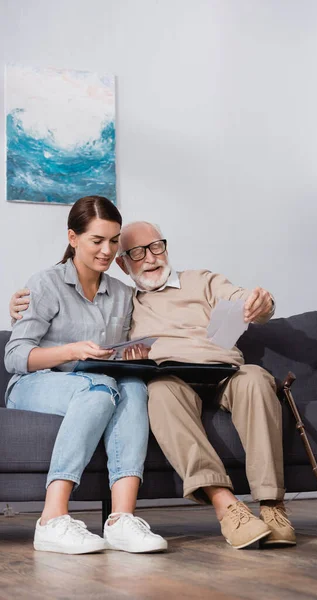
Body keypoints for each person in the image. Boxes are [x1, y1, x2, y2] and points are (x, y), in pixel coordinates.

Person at [10, 220, 296, 550]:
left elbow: (244, 299)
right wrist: (19, 311)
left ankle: (272, 506)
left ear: (166, 247)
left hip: (225, 372)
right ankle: (227, 506)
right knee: (156, 393)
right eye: (137, 252)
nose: (150, 258)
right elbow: (77, 321)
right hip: (172, 379)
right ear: (122, 262)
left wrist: (261, 303)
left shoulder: (201, 280)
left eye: (156, 246)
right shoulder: (124, 300)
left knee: (258, 378)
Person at [5, 199, 167, 555]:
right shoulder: (45, 284)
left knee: (133, 386)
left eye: (113, 241)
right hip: (34, 384)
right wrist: (71, 351)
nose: (107, 250)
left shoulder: (123, 295)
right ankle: (51, 518)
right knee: (100, 387)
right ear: (73, 238)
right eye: (97, 240)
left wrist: (132, 355)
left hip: (95, 381)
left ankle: (121, 519)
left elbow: (116, 354)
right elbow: (15, 357)